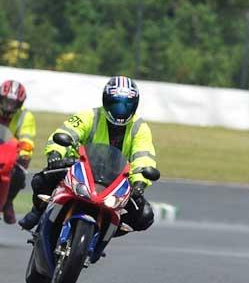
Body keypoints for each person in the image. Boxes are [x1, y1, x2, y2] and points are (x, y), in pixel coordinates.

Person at [19, 76, 157, 233]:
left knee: (144, 216)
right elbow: (67, 132)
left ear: (135, 105)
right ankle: (38, 211)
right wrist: (55, 153)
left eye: (126, 105)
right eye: (115, 104)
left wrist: (140, 182)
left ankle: (104, 232)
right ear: (105, 101)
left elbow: (144, 157)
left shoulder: (140, 127)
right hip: (80, 169)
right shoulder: (89, 116)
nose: (121, 110)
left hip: (117, 180)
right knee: (41, 180)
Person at [0, 79, 36, 224]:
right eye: (6, 101)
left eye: (13, 103)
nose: (9, 106)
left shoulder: (25, 116)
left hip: (9, 155)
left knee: (19, 175)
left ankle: (7, 201)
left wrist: (23, 154)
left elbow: (27, 140)